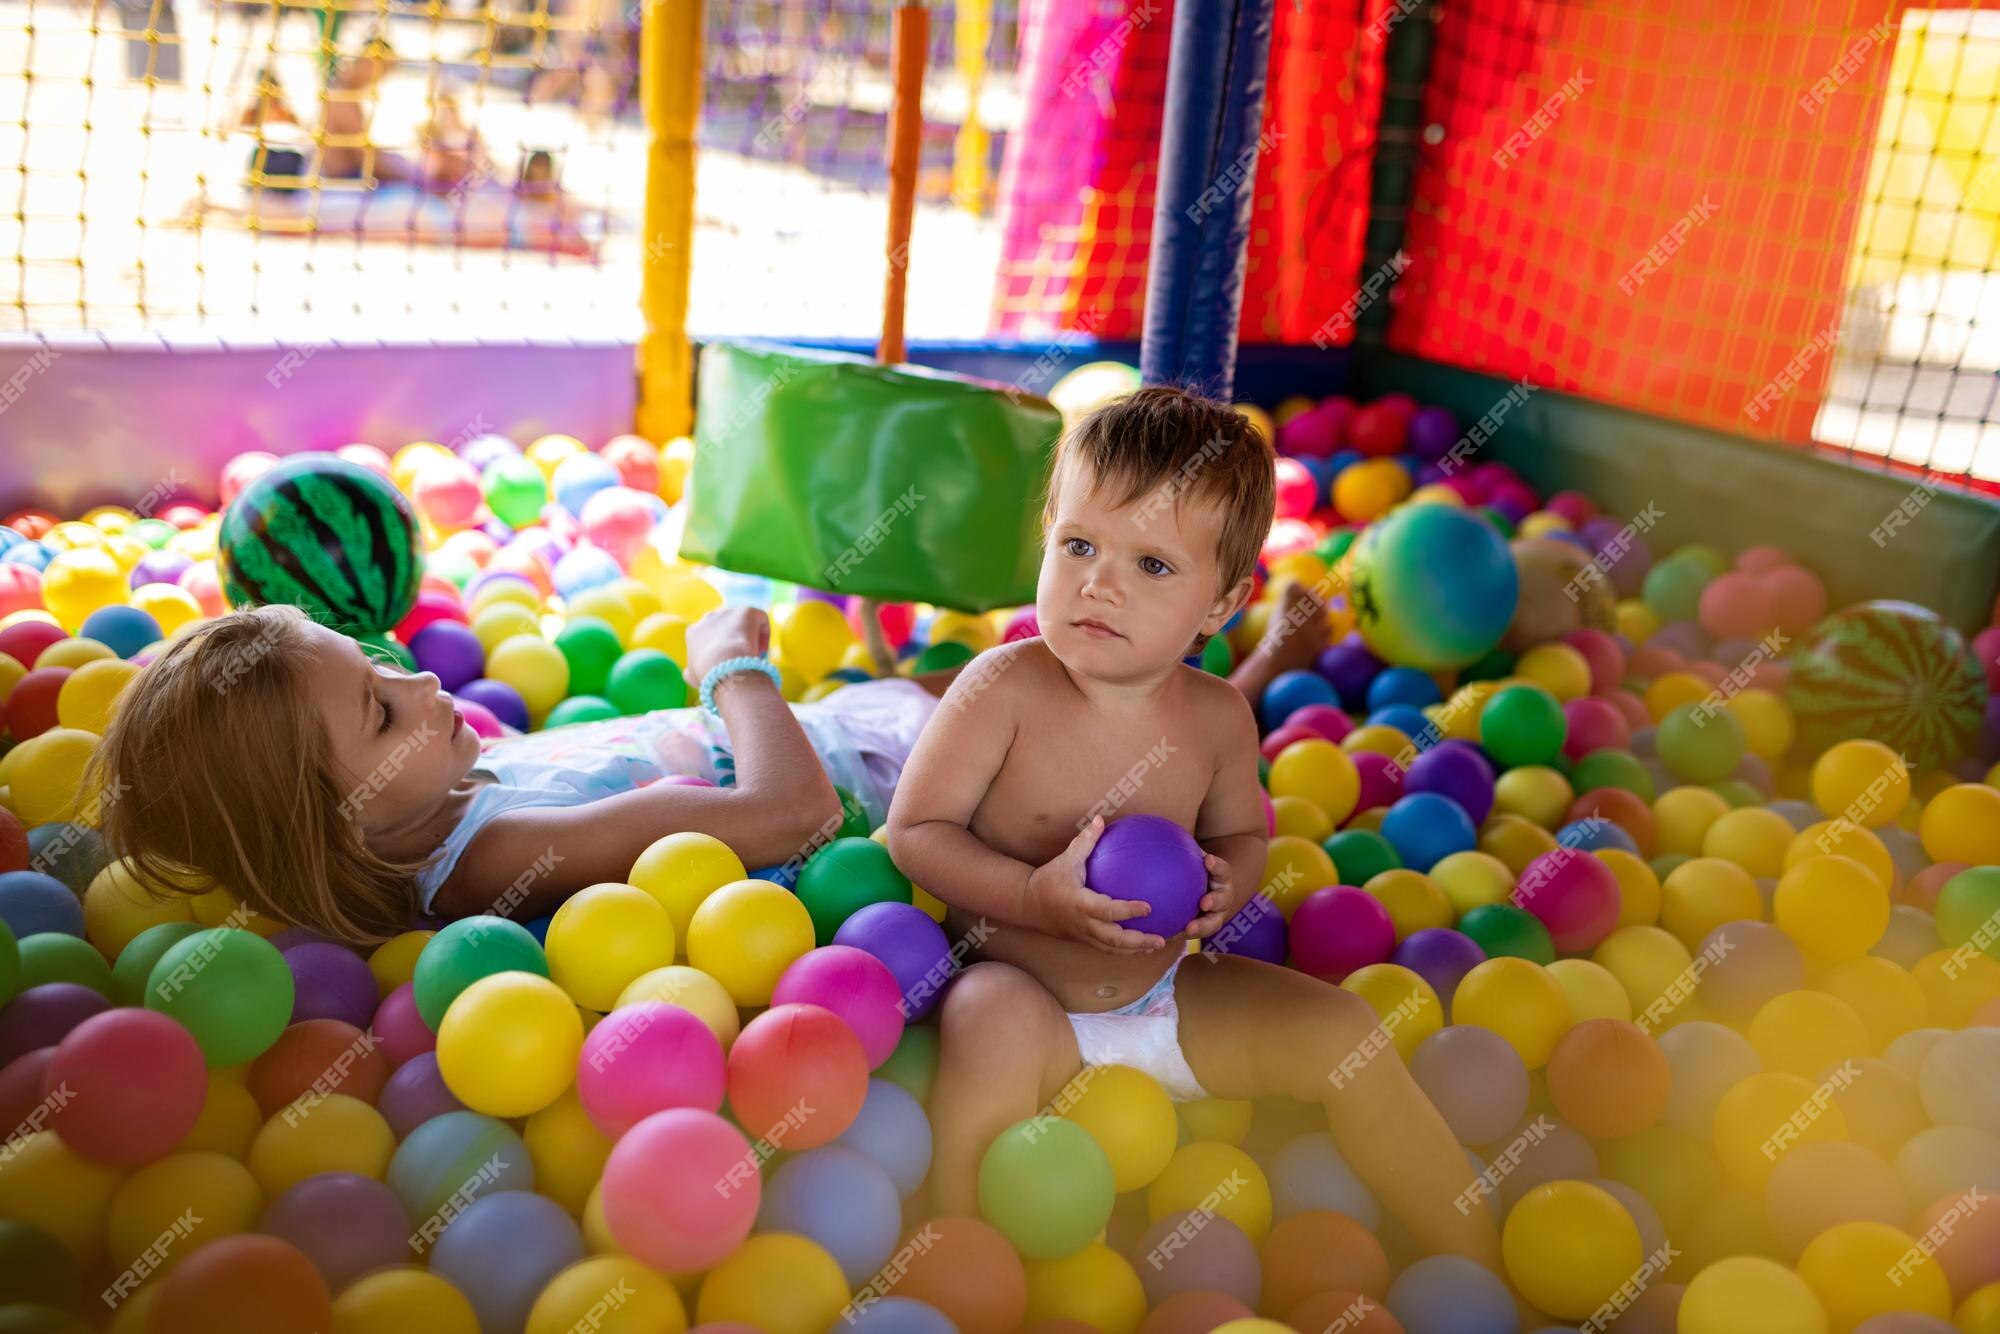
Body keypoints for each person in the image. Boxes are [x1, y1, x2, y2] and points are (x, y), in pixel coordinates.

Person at [886, 386, 1502, 1268]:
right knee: (985, 1015)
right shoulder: (1001, 688)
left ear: (1220, 605)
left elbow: (1243, 838)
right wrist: (1032, 896)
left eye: (1154, 566)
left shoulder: (1217, 718)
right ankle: (961, 1260)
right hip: (1035, 1012)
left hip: (1168, 1000)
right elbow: (918, 832)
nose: (1100, 583)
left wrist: (1228, 886)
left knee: (1347, 1033)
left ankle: (1475, 1260)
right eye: (1080, 545)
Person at [95, 603, 950, 943]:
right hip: (910, 784)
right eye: (380, 711)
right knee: (1050, 694)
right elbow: (794, 813)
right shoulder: (487, 861)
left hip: (850, 725)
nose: (422, 682)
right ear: (338, 819)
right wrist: (730, 670)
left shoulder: (444, 786)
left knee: (1029, 668)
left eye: (377, 660)